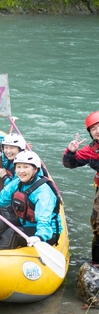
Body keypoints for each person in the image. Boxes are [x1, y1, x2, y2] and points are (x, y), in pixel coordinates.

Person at [0, 151, 62, 250]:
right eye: (18, 167)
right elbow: (3, 197)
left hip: (48, 232)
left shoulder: (43, 192)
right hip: (26, 222)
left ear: (35, 169)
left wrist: (39, 236)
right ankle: (3, 250)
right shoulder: (17, 182)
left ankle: (3, 255)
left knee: (12, 233)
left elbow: (44, 218)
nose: (21, 171)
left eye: (26, 167)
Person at [62, 111, 99, 264]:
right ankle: (96, 263)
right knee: (98, 227)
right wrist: (71, 151)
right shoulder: (91, 150)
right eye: (94, 129)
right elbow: (69, 164)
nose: (97, 131)